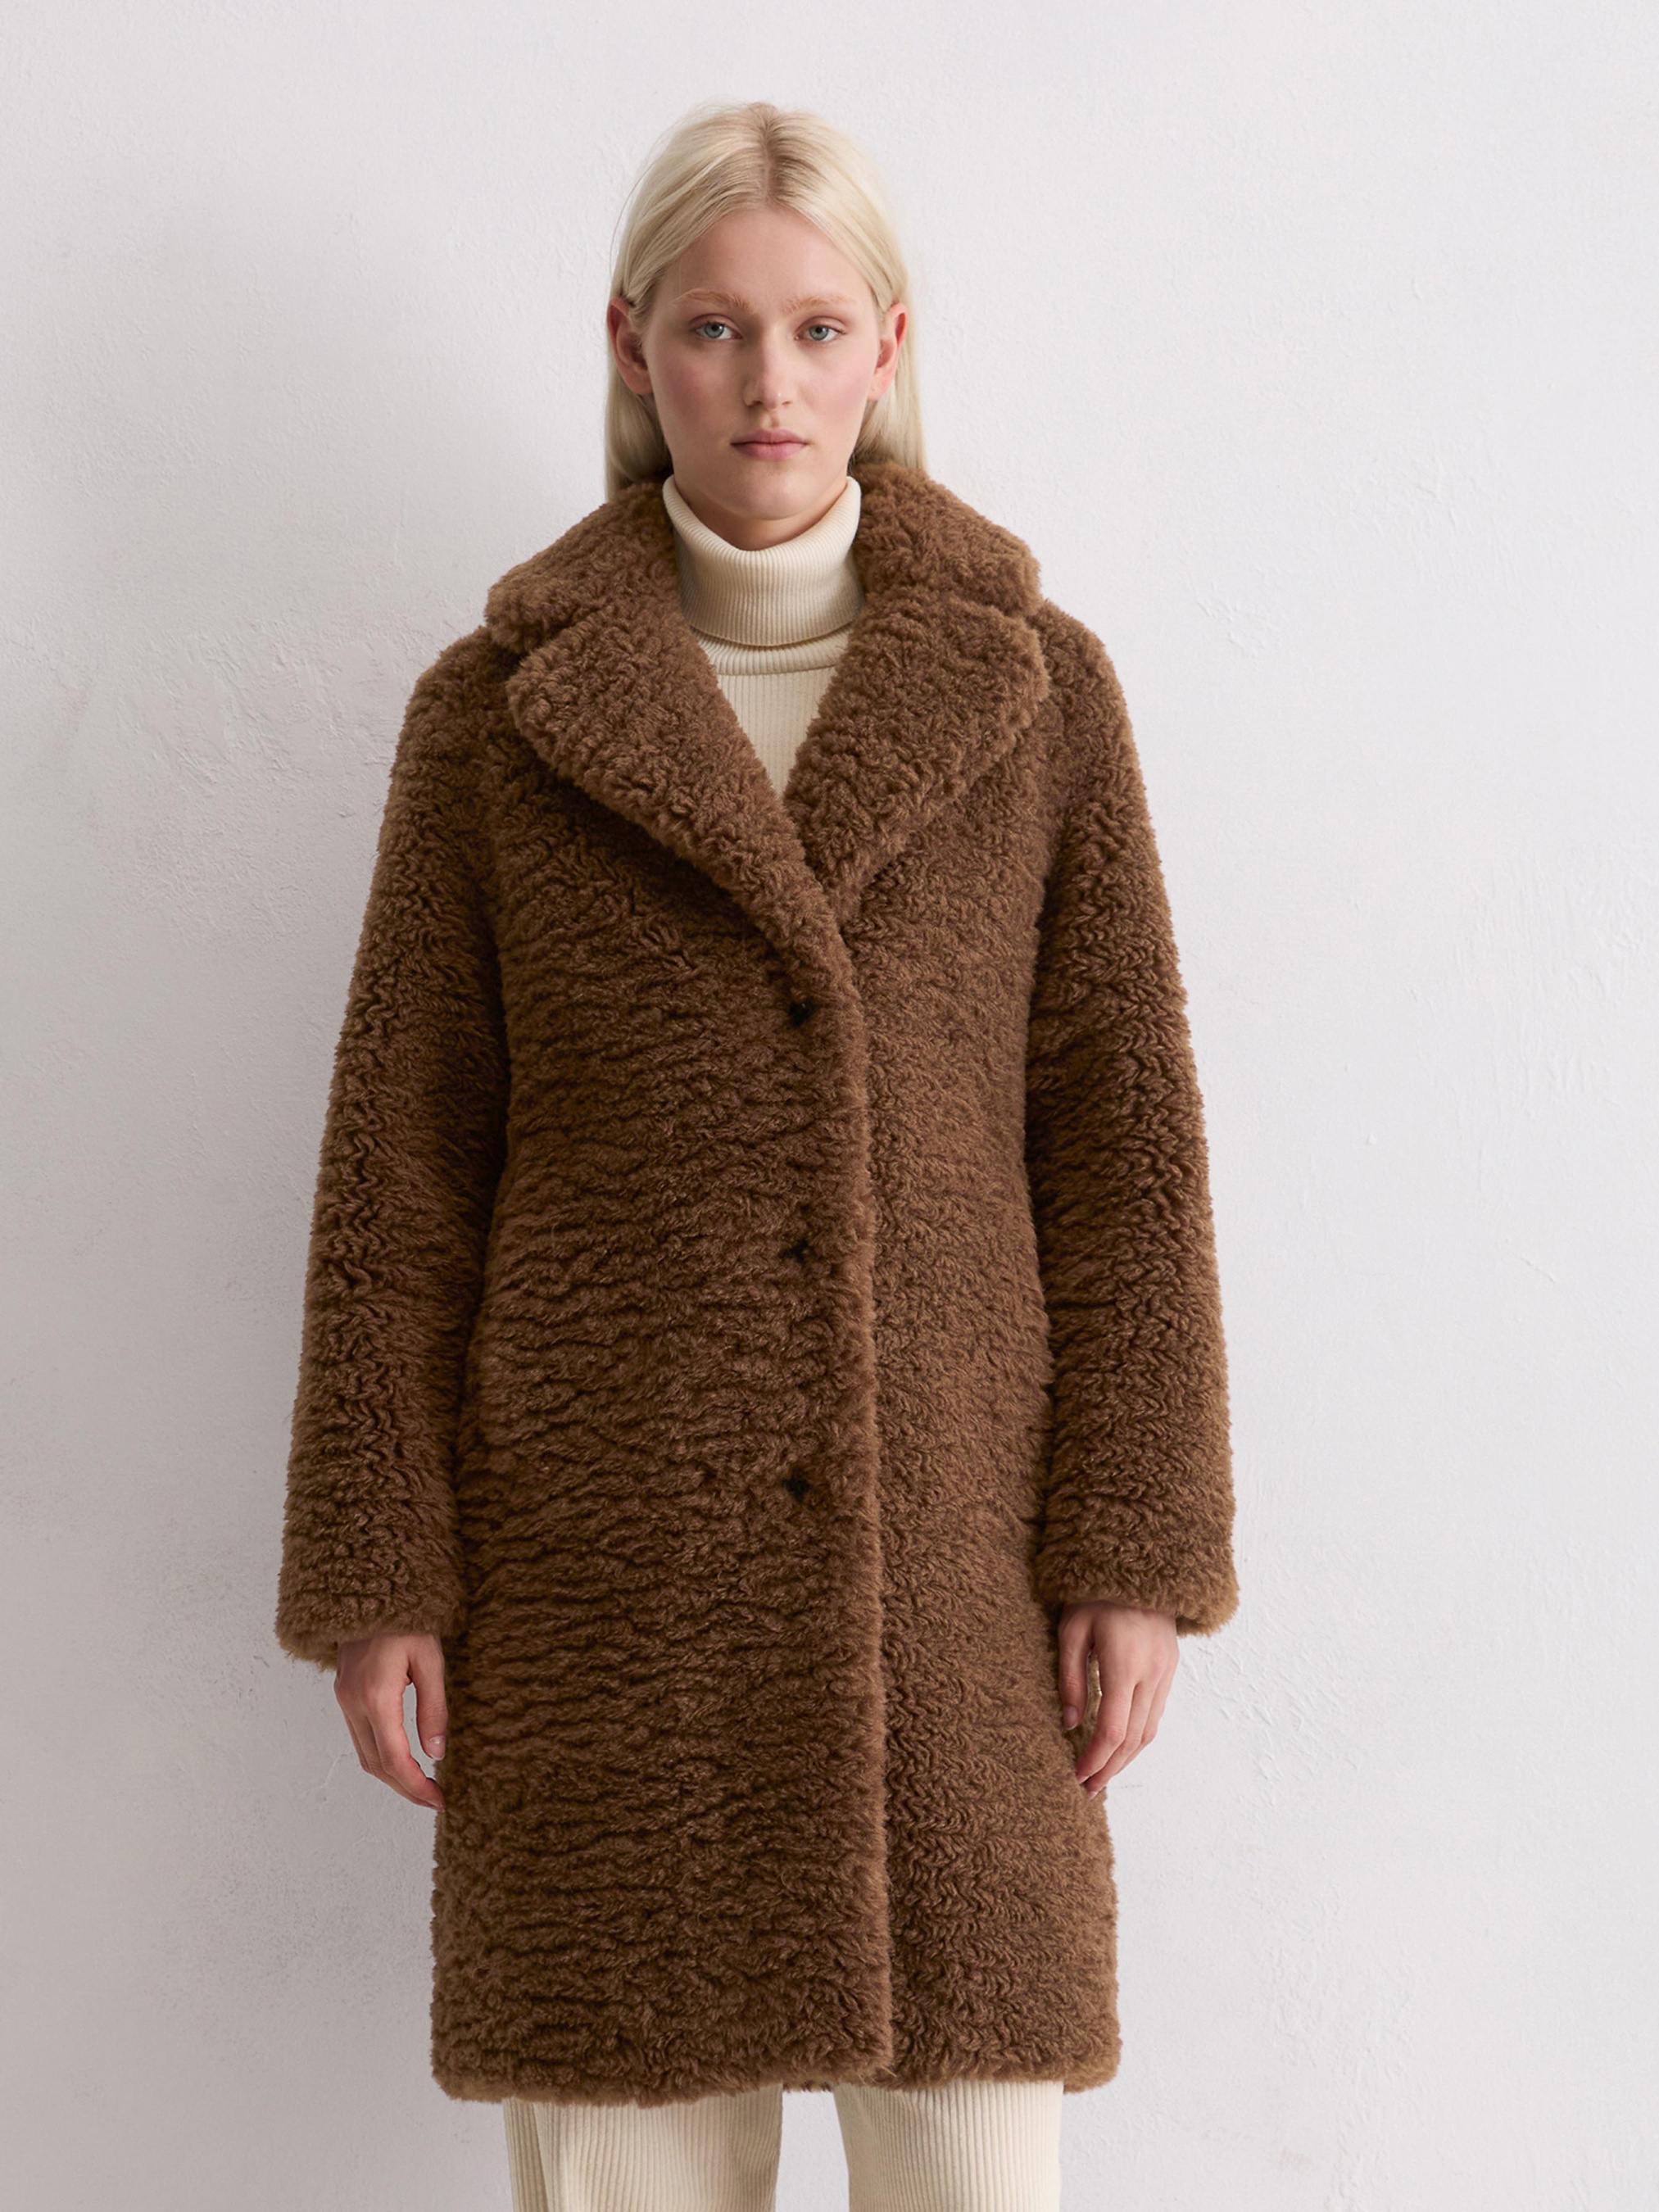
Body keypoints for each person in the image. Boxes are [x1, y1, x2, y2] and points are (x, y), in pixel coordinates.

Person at [274, 99, 1240, 2212]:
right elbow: (399, 1176)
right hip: (602, 1576)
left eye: (815, 327)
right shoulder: (499, 715)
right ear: (634, 346)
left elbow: (1126, 1146)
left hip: (958, 1570)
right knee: (620, 2155)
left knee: (971, 2154)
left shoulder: (1036, 692)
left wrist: (1136, 1543)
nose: (769, 382)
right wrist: (379, 1574)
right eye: (715, 328)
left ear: (889, 345)